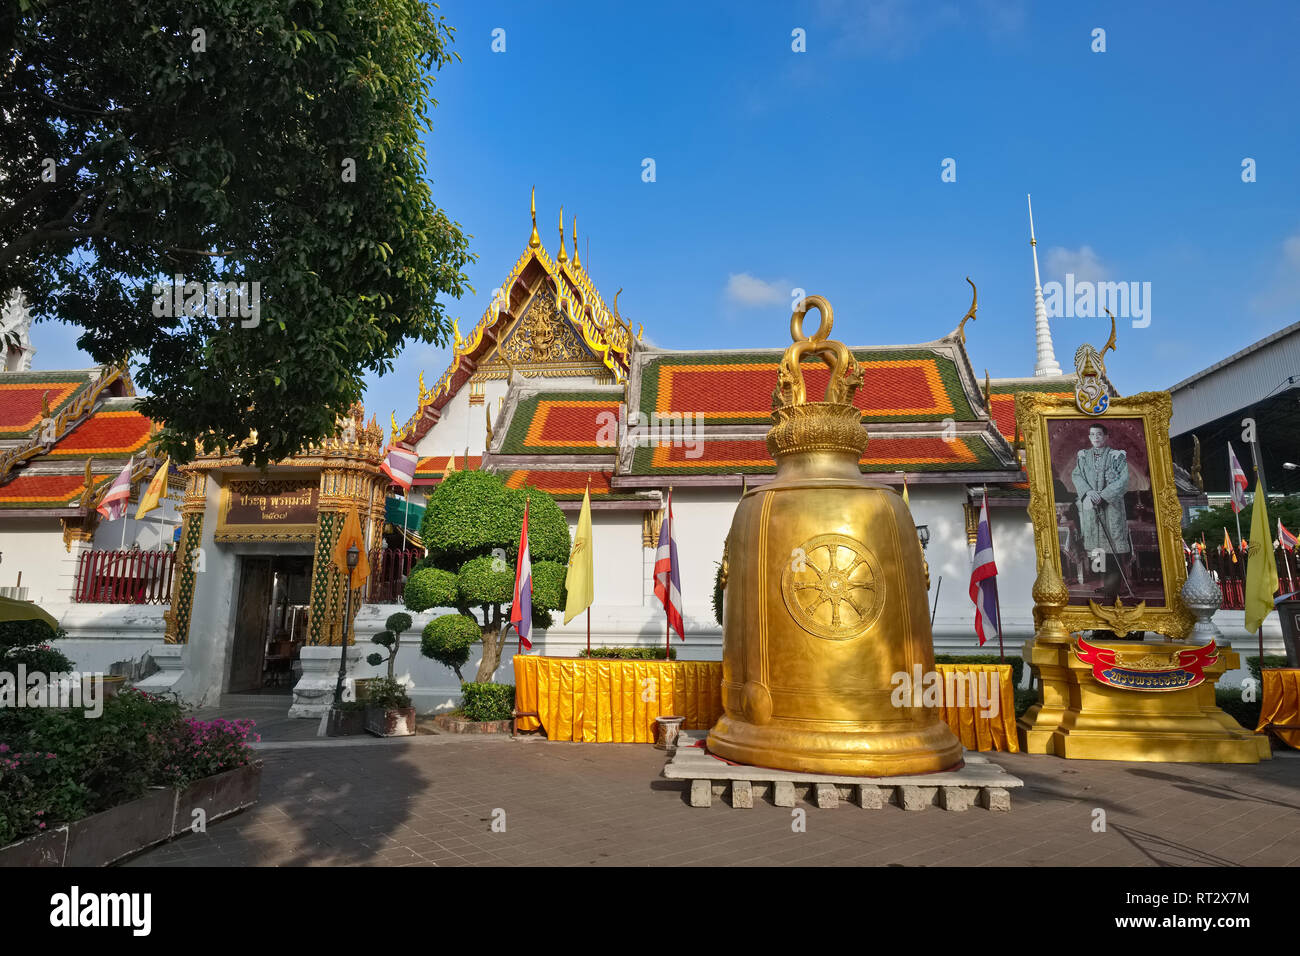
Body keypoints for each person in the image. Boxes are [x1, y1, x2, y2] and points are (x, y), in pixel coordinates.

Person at [1071, 423, 1131, 599]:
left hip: (1111, 509)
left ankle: (1113, 591)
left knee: (1112, 553)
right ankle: (1106, 585)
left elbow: (1124, 480)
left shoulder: (1117, 456)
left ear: (1106, 437)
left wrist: (1103, 495)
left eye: (1099, 434)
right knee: (1098, 554)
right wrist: (1089, 492)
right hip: (1092, 508)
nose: (1095, 437)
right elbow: (1077, 476)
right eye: (1092, 435)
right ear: (1089, 437)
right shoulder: (1083, 457)